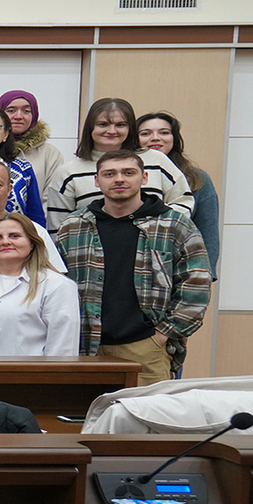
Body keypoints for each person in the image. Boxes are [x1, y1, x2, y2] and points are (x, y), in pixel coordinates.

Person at [55, 150, 211, 385]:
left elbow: (196, 283)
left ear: (144, 178)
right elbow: (56, 283)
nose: (119, 179)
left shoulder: (174, 225)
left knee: (149, 409)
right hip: (85, 348)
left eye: (128, 173)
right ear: (97, 181)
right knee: (84, 410)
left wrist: (165, 333)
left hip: (146, 348)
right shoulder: (74, 226)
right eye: (109, 174)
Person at [52, 98, 193, 226]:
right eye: (103, 124)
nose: (111, 131)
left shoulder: (158, 160)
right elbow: (58, 226)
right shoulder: (68, 172)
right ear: (90, 127)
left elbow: (183, 201)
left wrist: (157, 230)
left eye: (120, 125)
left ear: (130, 128)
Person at [0, 213, 79, 358]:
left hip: (27, 371)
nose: (5, 242)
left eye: (14, 236)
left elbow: (63, 350)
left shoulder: (57, 285)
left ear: (32, 243)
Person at [139, 111, 219, 278]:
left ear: (174, 138)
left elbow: (208, 231)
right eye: (145, 133)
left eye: (164, 132)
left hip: (182, 267)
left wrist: (205, 274)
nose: (155, 138)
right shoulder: (123, 177)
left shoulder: (196, 178)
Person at [0, 90, 69, 217]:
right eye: (11, 110)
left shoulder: (49, 153)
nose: (19, 116)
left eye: (26, 111)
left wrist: (35, 227)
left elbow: (51, 199)